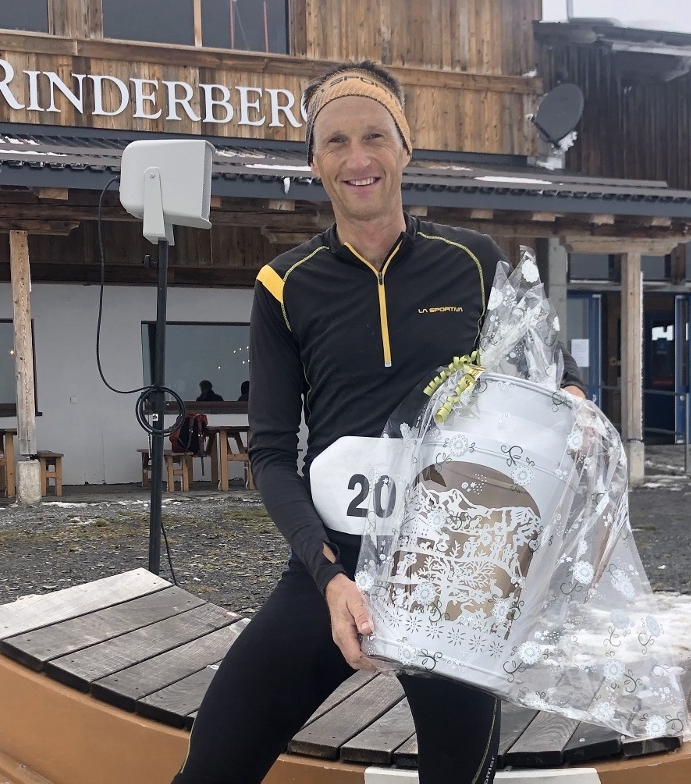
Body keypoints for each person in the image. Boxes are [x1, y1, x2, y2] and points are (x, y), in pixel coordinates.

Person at [171, 60, 585, 784]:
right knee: (211, 770)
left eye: (374, 137)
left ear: (405, 148)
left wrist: (572, 401)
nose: (357, 159)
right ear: (313, 161)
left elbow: (549, 383)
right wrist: (330, 578)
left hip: (452, 576)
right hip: (331, 571)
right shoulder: (283, 285)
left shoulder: (472, 262)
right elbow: (270, 455)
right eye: (335, 142)